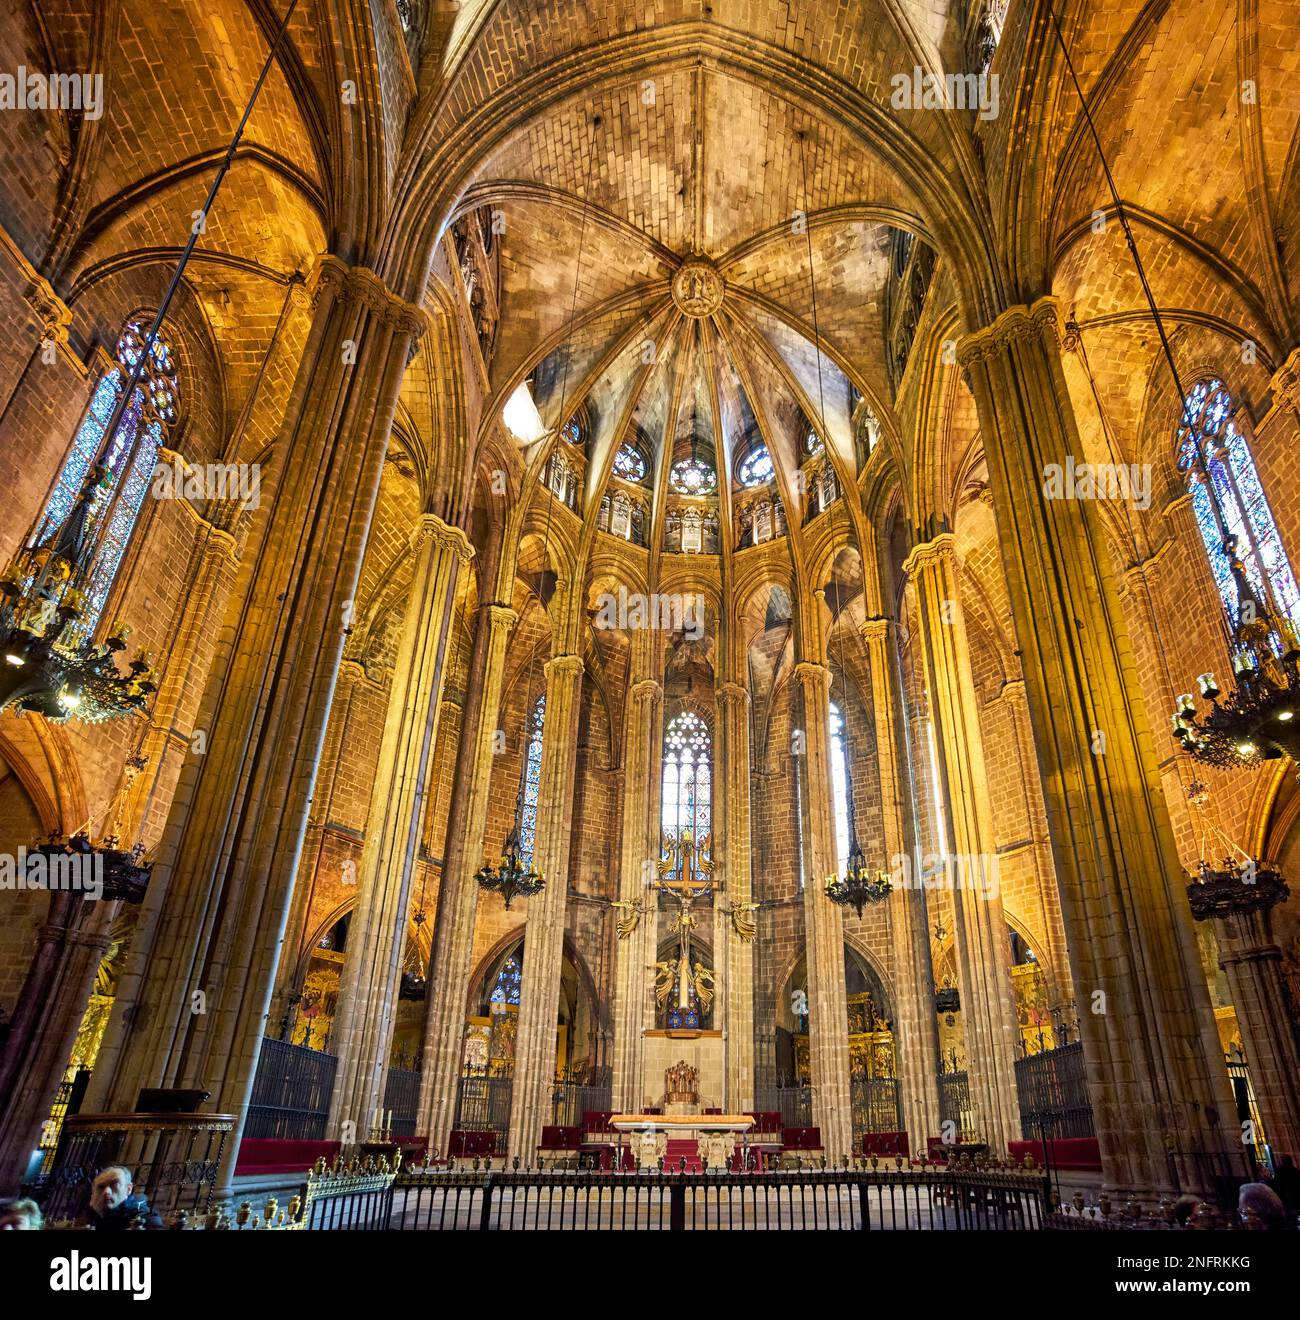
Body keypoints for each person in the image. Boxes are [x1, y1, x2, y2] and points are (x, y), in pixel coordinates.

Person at [79, 1165, 163, 1230]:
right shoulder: (95, 1217)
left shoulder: (145, 1219)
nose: (106, 1192)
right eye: (101, 1187)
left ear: (128, 1189)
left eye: (114, 1184)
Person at [1271, 1155, 1300, 1222]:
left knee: (1290, 1215)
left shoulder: (1279, 1171)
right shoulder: (1295, 1171)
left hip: (1286, 1197)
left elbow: (1277, 1184)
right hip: (1295, 1196)